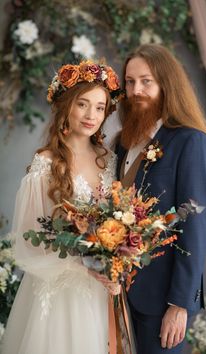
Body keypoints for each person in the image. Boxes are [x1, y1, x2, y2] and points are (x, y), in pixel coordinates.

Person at [2, 60, 123, 354]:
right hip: (61, 293)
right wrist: (85, 262)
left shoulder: (110, 160)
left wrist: (114, 262)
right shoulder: (45, 163)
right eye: (82, 104)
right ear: (66, 104)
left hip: (101, 291)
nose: (91, 115)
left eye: (99, 106)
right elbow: (29, 244)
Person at [115, 44, 206, 354]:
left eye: (146, 81)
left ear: (166, 84)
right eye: (130, 81)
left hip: (164, 304)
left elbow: (196, 227)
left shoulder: (191, 141)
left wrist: (182, 305)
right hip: (118, 296)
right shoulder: (123, 144)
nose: (136, 90)